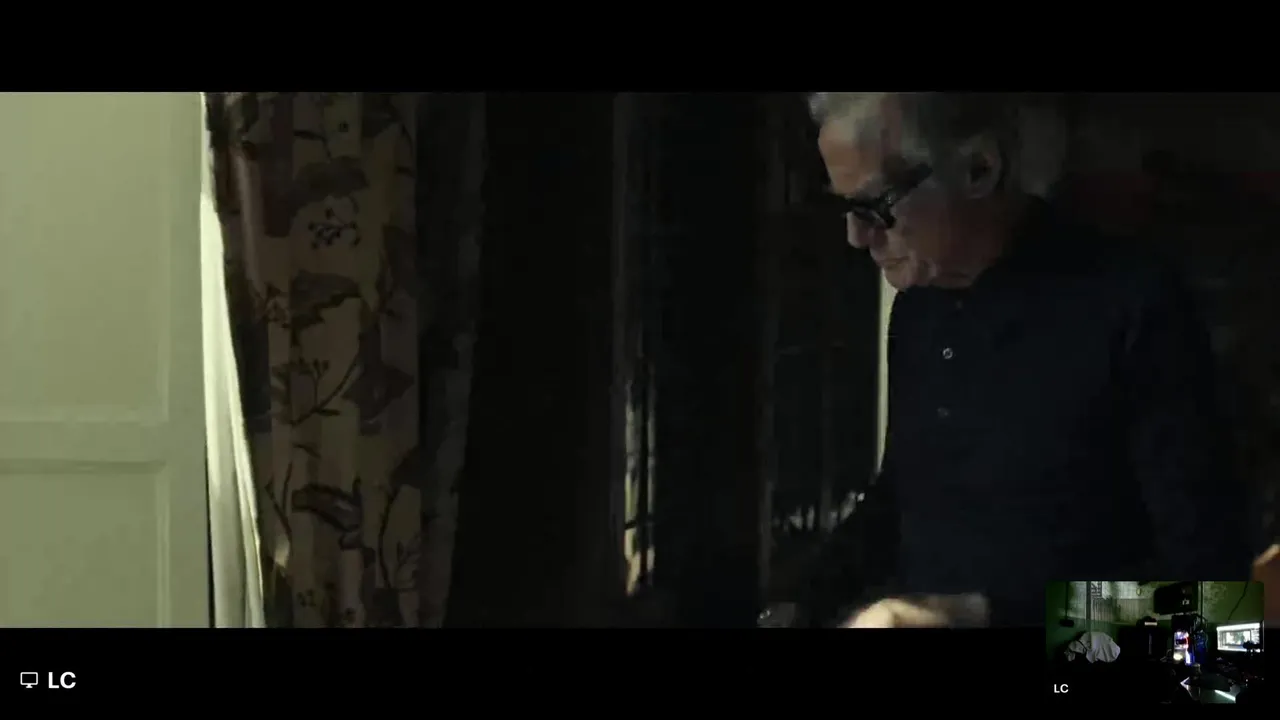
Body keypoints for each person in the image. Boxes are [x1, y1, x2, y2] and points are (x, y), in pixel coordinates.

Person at [796, 92, 1254, 628]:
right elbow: (904, 500)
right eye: (846, 209)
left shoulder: (1135, 305)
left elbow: (1216, 614)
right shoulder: (920, 309)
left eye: (876, 206)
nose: (856, 238)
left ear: (979, 168)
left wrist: (980, 617)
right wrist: (799, 606)